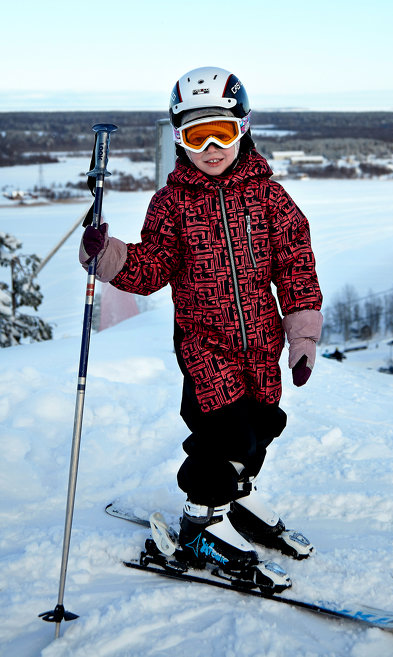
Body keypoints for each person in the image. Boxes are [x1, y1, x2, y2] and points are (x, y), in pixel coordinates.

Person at [80, 66, 323, 571]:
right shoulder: (172, 203)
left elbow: (296, 263)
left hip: (261, 345)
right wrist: (109, 257)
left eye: (223, 131)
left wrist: (301, 336)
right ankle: (200, 520)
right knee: (224, 434)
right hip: (204, 343)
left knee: (263, 424)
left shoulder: (269, 198)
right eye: (197, 134)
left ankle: (236, 494)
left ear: (244, 129)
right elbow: (151, 268)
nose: (212, 146)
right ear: (179, 139)